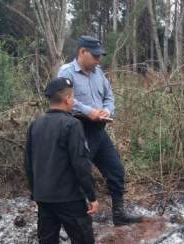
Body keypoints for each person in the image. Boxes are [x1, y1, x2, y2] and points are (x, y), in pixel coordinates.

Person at [24, 77, 112, 244]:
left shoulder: (35, 124)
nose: (74, 100)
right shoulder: (72, 125)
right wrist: (91, 196)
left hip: (44, 198)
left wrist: (35, 194)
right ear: (67, 98)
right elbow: (80, 164)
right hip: (70, 198)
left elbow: (28, 163)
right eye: (73, 96)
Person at [57, 35, 143, 226]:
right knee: (79, 174)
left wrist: (107, 110)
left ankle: (119, 214)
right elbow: (63, 99)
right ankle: (74, 220)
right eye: (95, 56)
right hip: (77, 129)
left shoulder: (98, 73)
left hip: (98, 130)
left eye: (99, 56)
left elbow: (109, 97)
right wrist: (89, 111)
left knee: (116, 169)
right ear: (82, 52)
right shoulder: (66, 72)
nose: (98, 60)